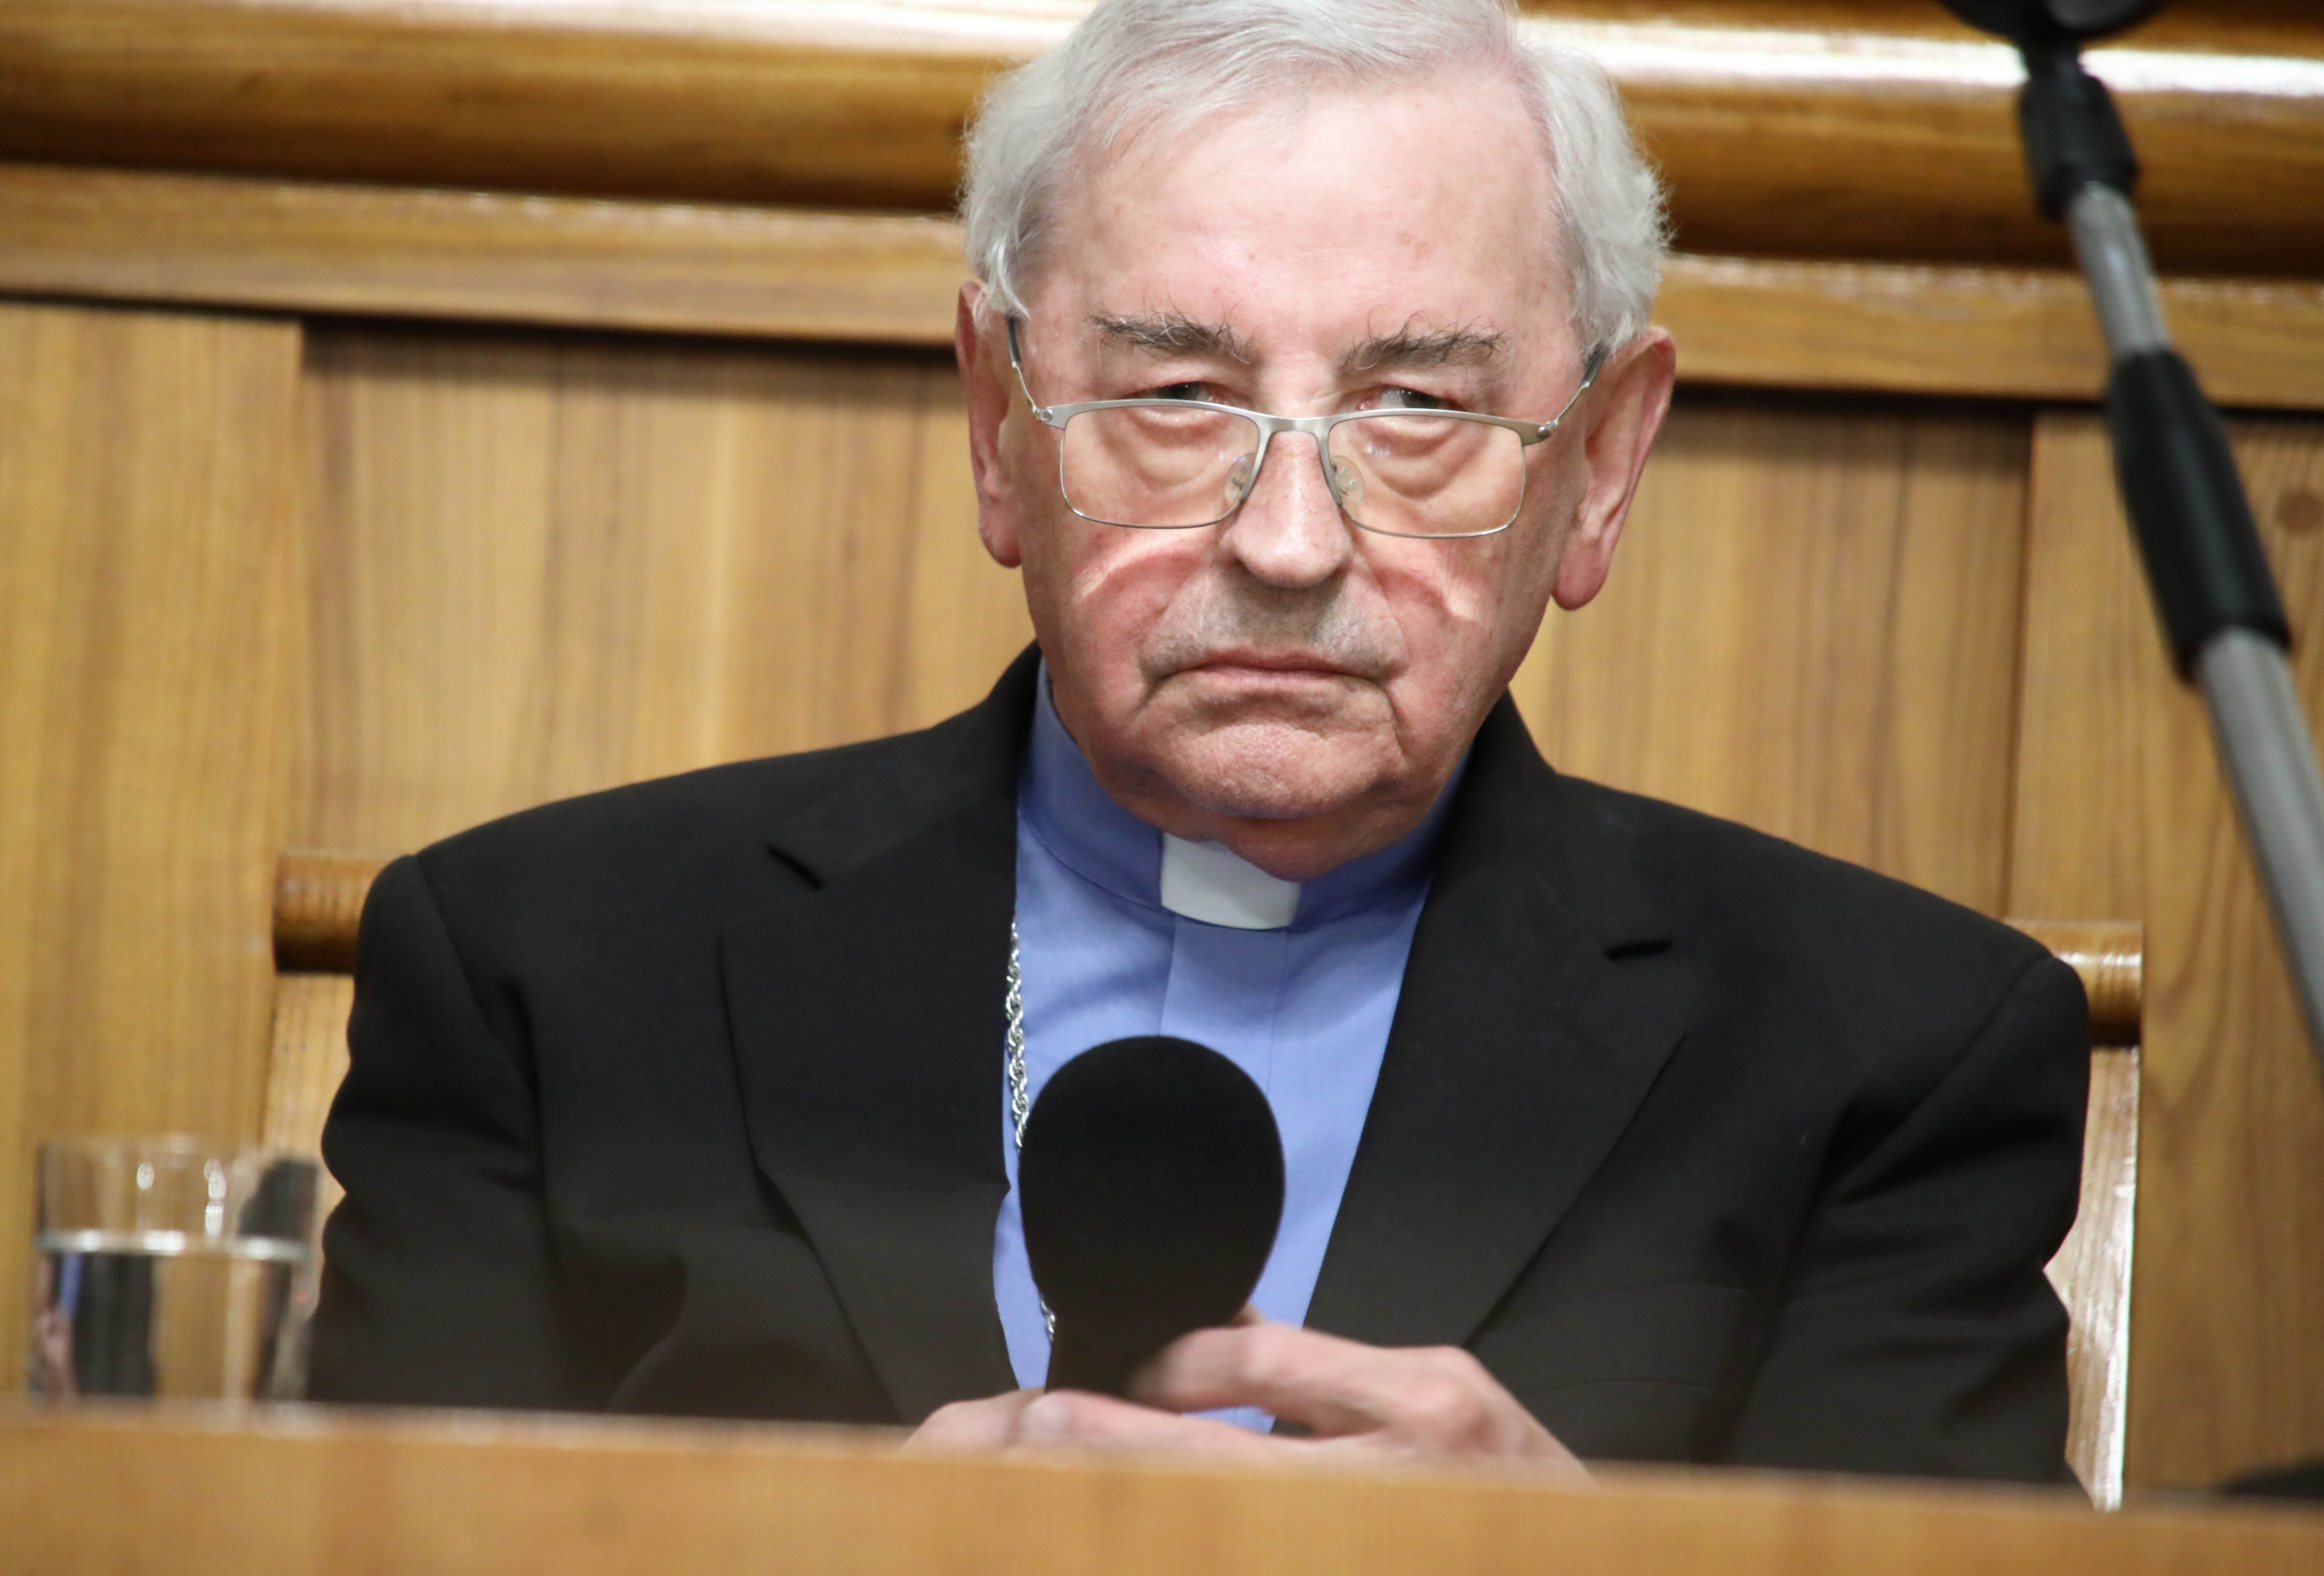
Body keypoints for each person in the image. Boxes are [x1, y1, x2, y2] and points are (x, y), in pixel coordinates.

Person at [310, 0, 2088, 1484]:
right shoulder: (545, 979)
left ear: (1602, 466)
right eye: (1176, 396)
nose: (1289, 545)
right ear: (998, 427)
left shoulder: (1890, 1061)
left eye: (1417, 406)